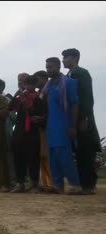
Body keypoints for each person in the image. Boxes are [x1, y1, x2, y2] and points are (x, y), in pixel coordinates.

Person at [62, 48, 102, 195]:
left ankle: (89, 186)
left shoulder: (81, 73)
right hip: (73, 118)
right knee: (79, 153)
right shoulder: (69, 75)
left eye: (66, 57)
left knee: (86, 151)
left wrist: (84, 117)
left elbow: (86, 97)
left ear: (75, 58)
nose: (63, 60)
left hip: (83, 118)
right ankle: (83, 184)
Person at [41, 57, 82, 195]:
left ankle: (75, 184)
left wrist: (73, 126)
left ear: (58, 66)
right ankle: (57, 185)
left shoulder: (69, 82)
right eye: (47, 67)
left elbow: (75, 104)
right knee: (52, 154)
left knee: (64, 154)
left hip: (65, 123)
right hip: (52, 125)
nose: (48, 70)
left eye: (50, 67)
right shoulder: (48, 85)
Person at [10, 76, 46, 193]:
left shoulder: (38, 98)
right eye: (25, 84)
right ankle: (20, 183)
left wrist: (27, 104)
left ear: (35, 85)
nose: (27, 87)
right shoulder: (19, 97)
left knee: (33, 159)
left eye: (30, 84)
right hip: (19, 131)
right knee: (18, 157)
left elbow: (39, 115)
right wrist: (17, 97)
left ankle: (35, 184)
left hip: (32, 132)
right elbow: (10, 107)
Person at [33, 70, 54, 192]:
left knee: (47, 155)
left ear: (44, 79)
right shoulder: (39, 93)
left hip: (48, 126)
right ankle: (46, 183)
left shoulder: (49, 91)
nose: (36, 82)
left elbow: (51, 108)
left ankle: (52, 183)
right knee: (41, 155)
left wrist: (42, 117)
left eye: (37, 79)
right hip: (39, 127)